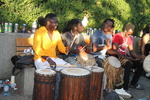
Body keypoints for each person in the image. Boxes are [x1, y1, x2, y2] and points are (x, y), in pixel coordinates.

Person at [112, 24, 144, 91]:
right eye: (129, 34)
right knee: (128, 64)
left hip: (126, 57)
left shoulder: (130, 39)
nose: (130, 35)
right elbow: (115, 49)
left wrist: (138, 57)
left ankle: (133, 84)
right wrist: (127, 58)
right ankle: (125, 87)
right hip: (117, 57)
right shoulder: (117, 36)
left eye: (131, 34)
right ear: (125, 30)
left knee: (141, 65)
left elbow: (131, 51)